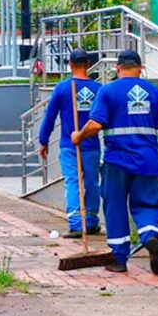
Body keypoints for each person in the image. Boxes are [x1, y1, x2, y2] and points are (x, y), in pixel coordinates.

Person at [72, 50, 158, 274]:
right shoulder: (155, 93)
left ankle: (119, 259)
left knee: (115, 205)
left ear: (117, 69)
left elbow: (96, 124)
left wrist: (78, 136)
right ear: (141, 69)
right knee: (147, 204)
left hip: (116, 162)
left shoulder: (107, 91)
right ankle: (150, 235)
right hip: (147, 162)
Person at [38, 48, 102, 239]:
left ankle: (76, 223)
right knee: (91, 182)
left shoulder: (62, 88)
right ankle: (90, 220)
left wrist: (44, 140)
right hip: (91, 145)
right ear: (88, 65)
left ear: (70, 65)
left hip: (69, 145)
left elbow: (49, 117)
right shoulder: (98, 89)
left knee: (73, 181)